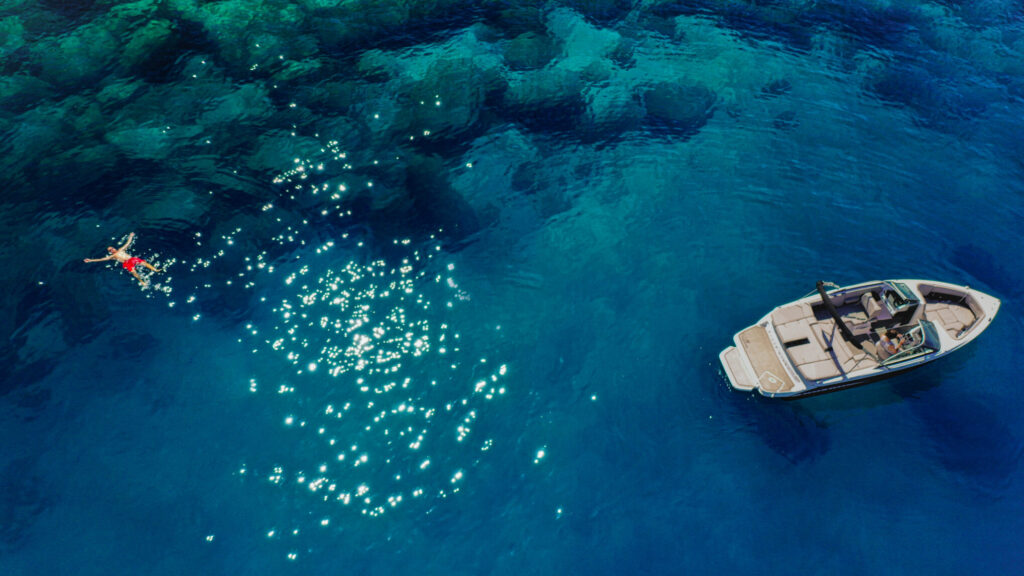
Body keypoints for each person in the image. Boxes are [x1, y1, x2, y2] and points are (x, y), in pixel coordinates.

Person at [83, 232, 161, 285]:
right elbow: (101, 259)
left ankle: (155, 270)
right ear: (110, 252)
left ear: (114, 248)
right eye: (110, 250)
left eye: (112, 248)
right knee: (134, 273)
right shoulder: (112, 256)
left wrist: (130, 236)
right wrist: (90, 260)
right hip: (127, 263)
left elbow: (127, 243)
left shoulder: (121, 249)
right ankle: (142, 281)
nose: (112, 249)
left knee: (145, 263)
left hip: (132, 259)